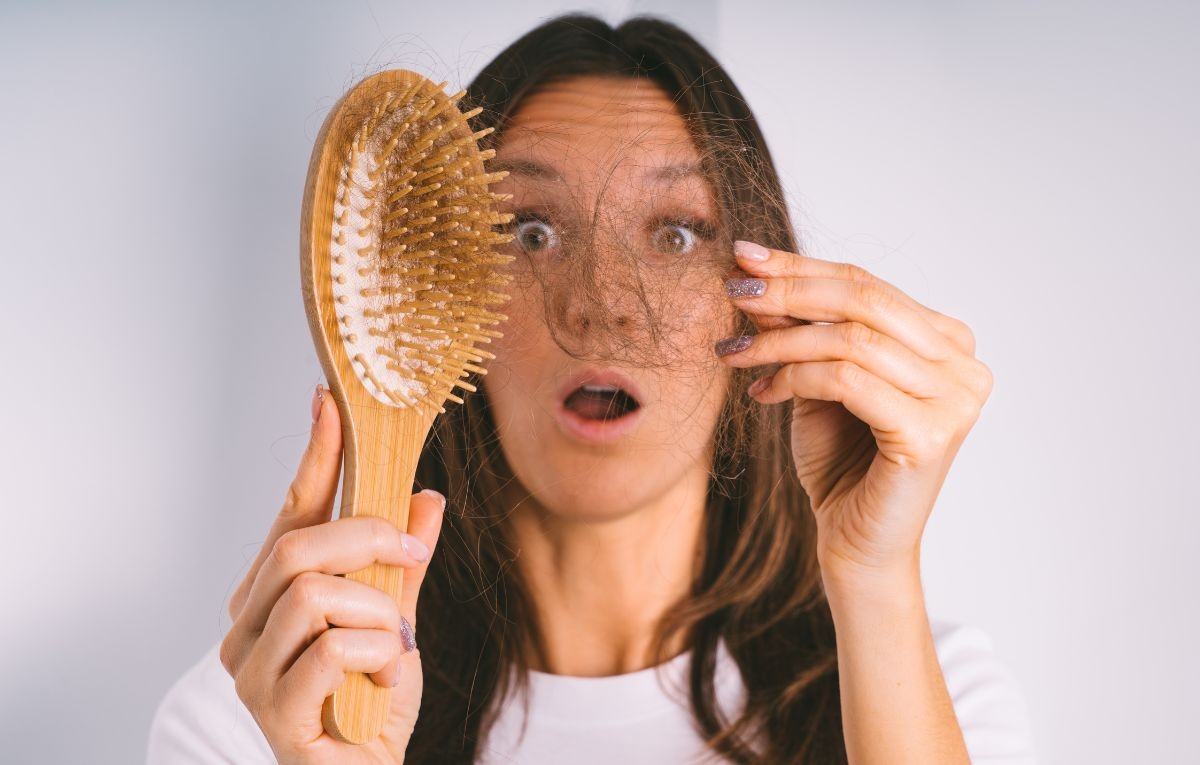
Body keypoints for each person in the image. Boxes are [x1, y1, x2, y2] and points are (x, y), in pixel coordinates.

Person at [148, 12, 1036, 765]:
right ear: (440, 294)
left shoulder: (929, 693)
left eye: (677, 235)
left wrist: (873, 575)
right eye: (531, 232)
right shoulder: (258, 720)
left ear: (766, 301)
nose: (605, 305)